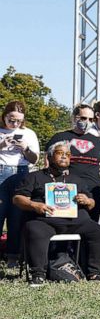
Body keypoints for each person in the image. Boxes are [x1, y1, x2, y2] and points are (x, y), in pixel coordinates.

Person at [13, 141, 100, 286]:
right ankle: (38, 274)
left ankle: (94, 273)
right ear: (50, 157)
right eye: (60, 153)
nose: (64, 157)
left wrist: (87, 201)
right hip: (45, 221)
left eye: (68, 154)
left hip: (76, 222)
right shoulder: (35, 177)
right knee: (34, 229)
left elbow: (92, 203)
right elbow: (17, 198)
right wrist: (34, 205)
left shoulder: (77, 180)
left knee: (99, 231)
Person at [47, 104, 100, 222]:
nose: (87, 122)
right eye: (83, 118)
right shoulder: (60, 137)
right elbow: (48, 157)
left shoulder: (98, 140)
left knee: (90, 226)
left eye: (91, 119)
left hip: (93, 190)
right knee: (65, 226)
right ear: (74, 118)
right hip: (66, 189)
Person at [0, 101, 40, 268]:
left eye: (18, 121)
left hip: (21, 172)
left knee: (17, 217)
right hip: (1, 171)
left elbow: (35, 159)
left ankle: (13, 257)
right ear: (4, 116)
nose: (15, 124)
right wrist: (2, 145)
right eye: (11, 120)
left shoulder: (28, 133)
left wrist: (25, 148)